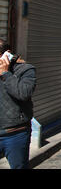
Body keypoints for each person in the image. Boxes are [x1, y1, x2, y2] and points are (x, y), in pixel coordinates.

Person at [0, 39, 36, 169]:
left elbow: (23, 94)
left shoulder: (25, 70)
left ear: (6, 54)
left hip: (14, 133)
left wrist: (5, 74)